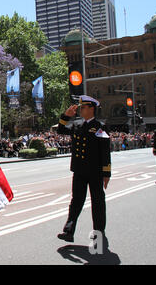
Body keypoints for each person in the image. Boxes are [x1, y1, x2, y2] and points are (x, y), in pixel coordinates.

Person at [56, 95, 111, 242]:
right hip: (79, 170)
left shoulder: (100, 127)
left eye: (84, 107)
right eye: (81, 107)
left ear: (92, 109)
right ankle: (68, 231)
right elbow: (60, 130)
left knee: (97, 201)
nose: (81, 110)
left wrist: (106, 173)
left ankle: (99, 231)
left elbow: (105, 151)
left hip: (95, 171)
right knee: (76, 201)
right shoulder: (77, 125)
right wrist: (65, 116)